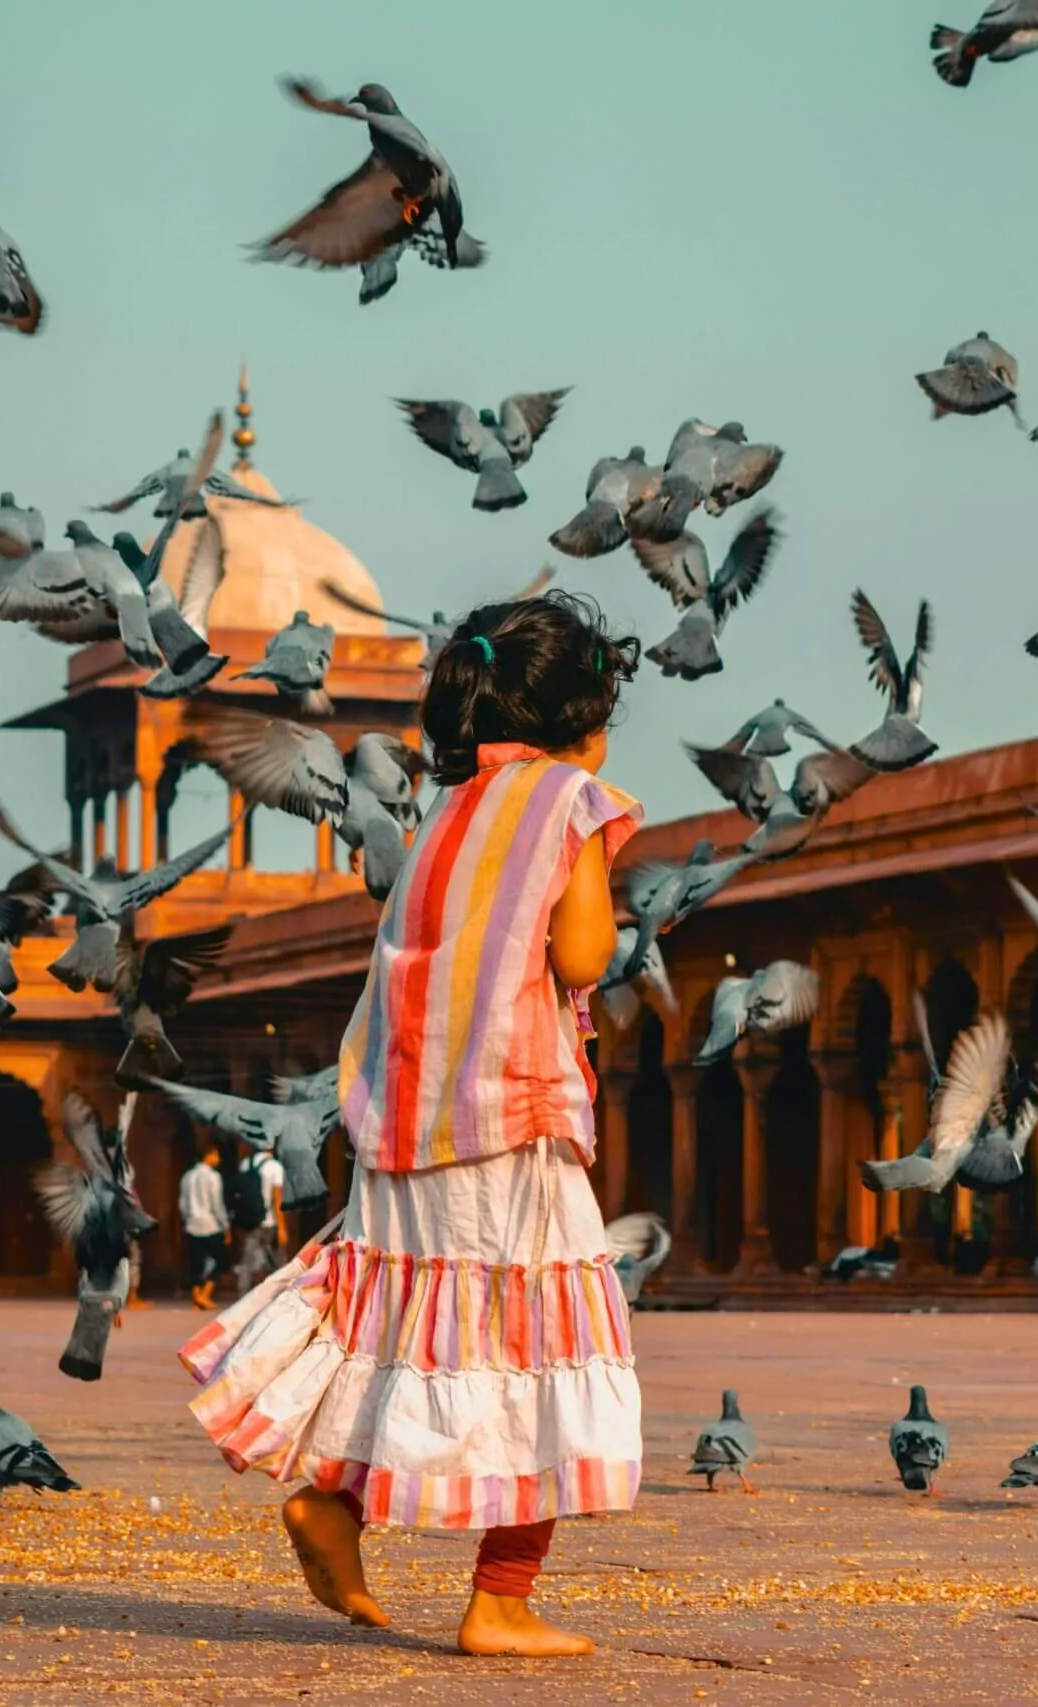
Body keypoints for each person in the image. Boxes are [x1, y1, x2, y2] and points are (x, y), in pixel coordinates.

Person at [181, 591, 643, 1659]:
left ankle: (335, 1505)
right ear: (585, 716)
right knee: (541, 1348)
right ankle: (501, 1598)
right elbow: (583, 956)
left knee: (417, 1336)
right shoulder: (568, 800)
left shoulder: (444, 815)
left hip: (404, 1122)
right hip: (508, 1122)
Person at [179, 1141, 230, 1311]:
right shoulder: (213, 1177)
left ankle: (196, 1295)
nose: (218, 1158)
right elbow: (217, 1204)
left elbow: (183, 1203)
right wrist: (225, 1225)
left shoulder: (188, 1176)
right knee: (221, 1260)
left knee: (196, 1262)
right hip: (210, 1224)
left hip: (192, 1224)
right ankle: (205, 1294)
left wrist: (187, 1219)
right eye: (216, 1154)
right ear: (208, 1156)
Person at [230, 1148, 287, 1292]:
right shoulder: (275, 1167)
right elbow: (277, 1199)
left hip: (251, 1220)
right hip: (269, 1220)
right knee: (277, 1260)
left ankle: (243, 1292)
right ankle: (283, 1291)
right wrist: (282, 1227)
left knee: (247, 1259)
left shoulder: (246, 1164)